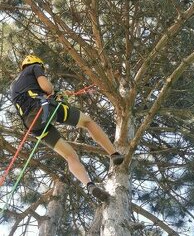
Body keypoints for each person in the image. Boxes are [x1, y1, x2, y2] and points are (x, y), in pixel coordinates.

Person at [10, 55, 124, 202]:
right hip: (44, 108)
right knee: (87, 122)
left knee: (70, 156)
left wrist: (57, 94)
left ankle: (89, 185)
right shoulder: (35, 67)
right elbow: (46, 88)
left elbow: (31, 94)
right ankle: (114, 154)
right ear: (36, 63)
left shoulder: (14, 86)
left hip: (31, 124)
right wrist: (53, 92)